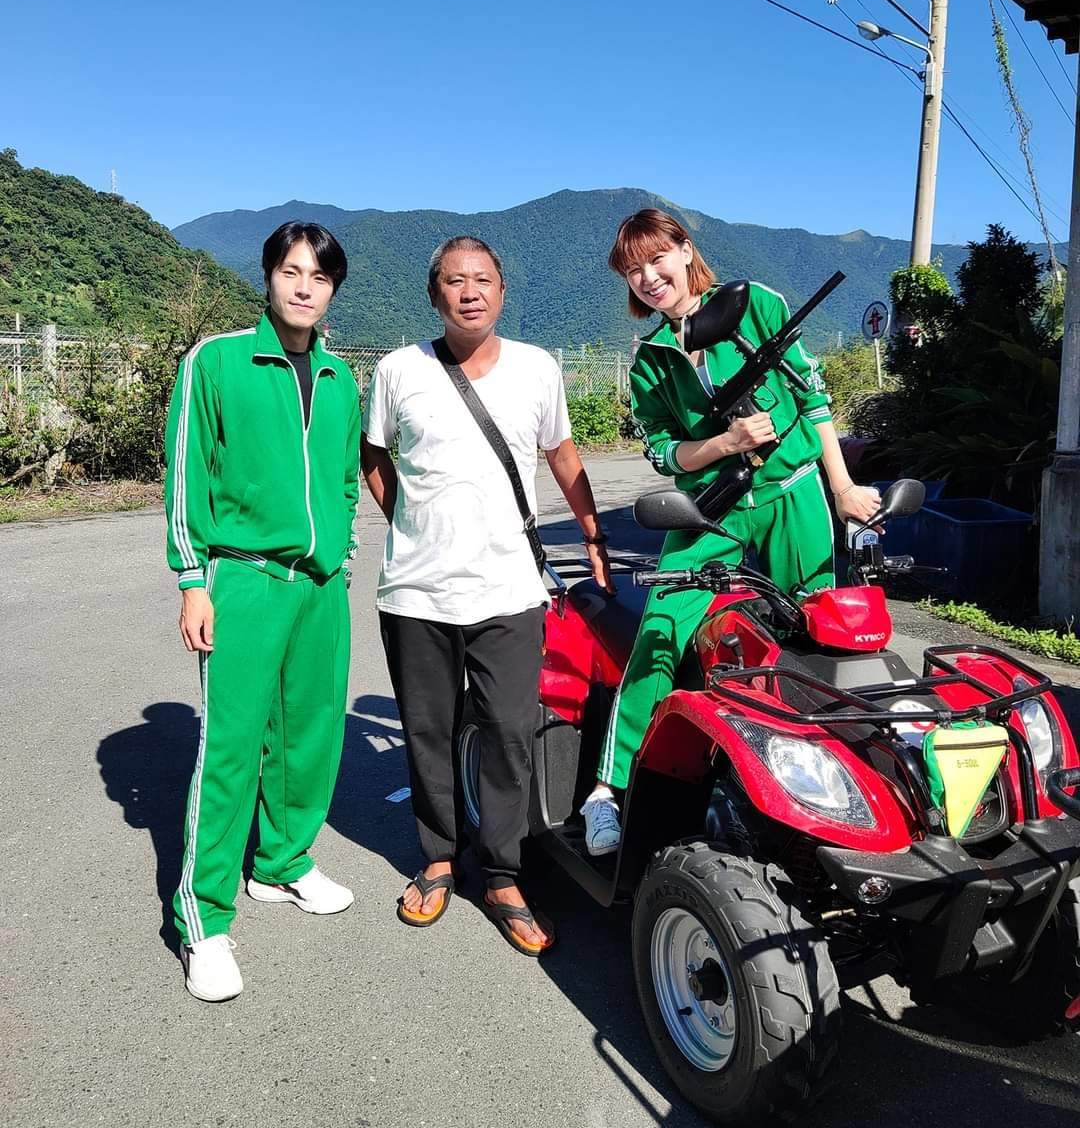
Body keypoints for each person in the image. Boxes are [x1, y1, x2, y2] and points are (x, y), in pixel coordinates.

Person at [580, 209, 880, 854]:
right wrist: (724, 441)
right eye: (633, 271)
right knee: (660, 632)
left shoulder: (757, 306)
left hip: (795, 493)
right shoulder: (650, 361)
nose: (648, 277)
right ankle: (609, 790)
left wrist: (843, 487)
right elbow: (666, 454)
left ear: (686, 251)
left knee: (820, 633)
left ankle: (836, 789)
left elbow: (815, 398)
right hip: (711, 506)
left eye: (657, 259)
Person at [361, 236, 613, 956]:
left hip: (510, 590)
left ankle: (503, 874)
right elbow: (374, 456)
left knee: (509, 733)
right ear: (433, 293)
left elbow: (563, 456)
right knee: (429, 733)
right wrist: (408, 522)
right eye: (453, 281)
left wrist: (594, 537)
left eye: (482, 280)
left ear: (503, 289)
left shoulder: (538, 368)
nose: (469, 292)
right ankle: (439, 858)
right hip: (415, 593)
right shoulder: (397, 370)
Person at [164, 221, 360, 1003]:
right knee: (232, 748)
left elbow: (345, 479)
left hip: (319, 585)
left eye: (318, 275)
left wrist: (339, 549)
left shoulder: (344, 379)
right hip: (242, 578)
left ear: (333, 289)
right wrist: (191, 579)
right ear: (269, 278)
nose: (304, 286)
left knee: (311, 731)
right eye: (290, 270)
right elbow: (187, 472)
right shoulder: (217, 360)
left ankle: (281, 863)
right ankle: (204, 921)